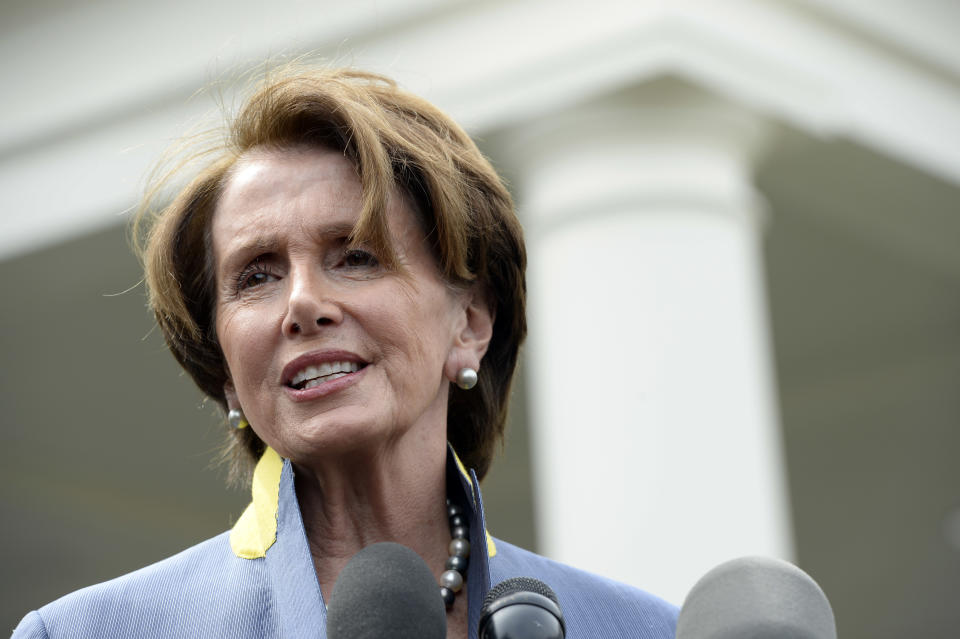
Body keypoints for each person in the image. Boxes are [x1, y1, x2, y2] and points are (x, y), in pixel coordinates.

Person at [13, 66, 677, 638]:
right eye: (257, 276)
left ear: (469, 322)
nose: (302, 302)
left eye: (356, 257)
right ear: (226, 373)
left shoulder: (646, 630)